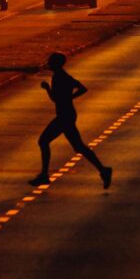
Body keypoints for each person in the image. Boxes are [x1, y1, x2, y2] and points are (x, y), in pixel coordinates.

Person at [29, 52, 112, 189]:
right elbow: (82, 88)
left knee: (43, 141)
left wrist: (47, 89)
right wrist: (71, 98)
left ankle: (44, 175)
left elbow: (55, 99)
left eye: (50, 61)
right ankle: (103, 170)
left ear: (55, 63)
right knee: (78, 146)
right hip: (68, 114)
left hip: (64, 116)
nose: (48, 63)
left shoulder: (58, 78)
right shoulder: (65, 76)